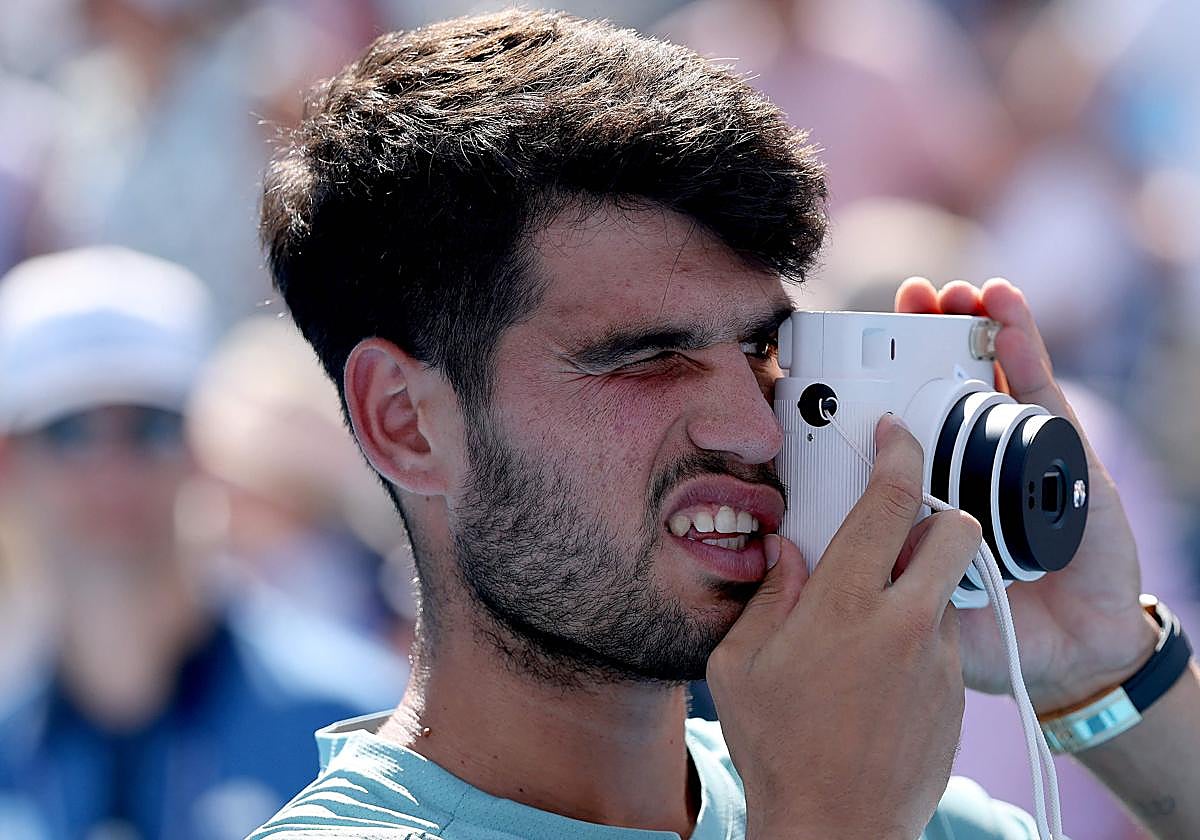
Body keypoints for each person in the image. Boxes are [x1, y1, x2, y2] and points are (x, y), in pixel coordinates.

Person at [249, 9, 1200, 839]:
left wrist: (1101, 667)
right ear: (405, 421)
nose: (756, 429)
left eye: (764, 353)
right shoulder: (860, 804)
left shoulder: (900, 805)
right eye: (647, 358)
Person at [0, 247, 391, 840]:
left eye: (151, 427)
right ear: (9, 462)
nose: (113, 471)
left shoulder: (352, 728)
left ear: (201, 445)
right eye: (69, 432)